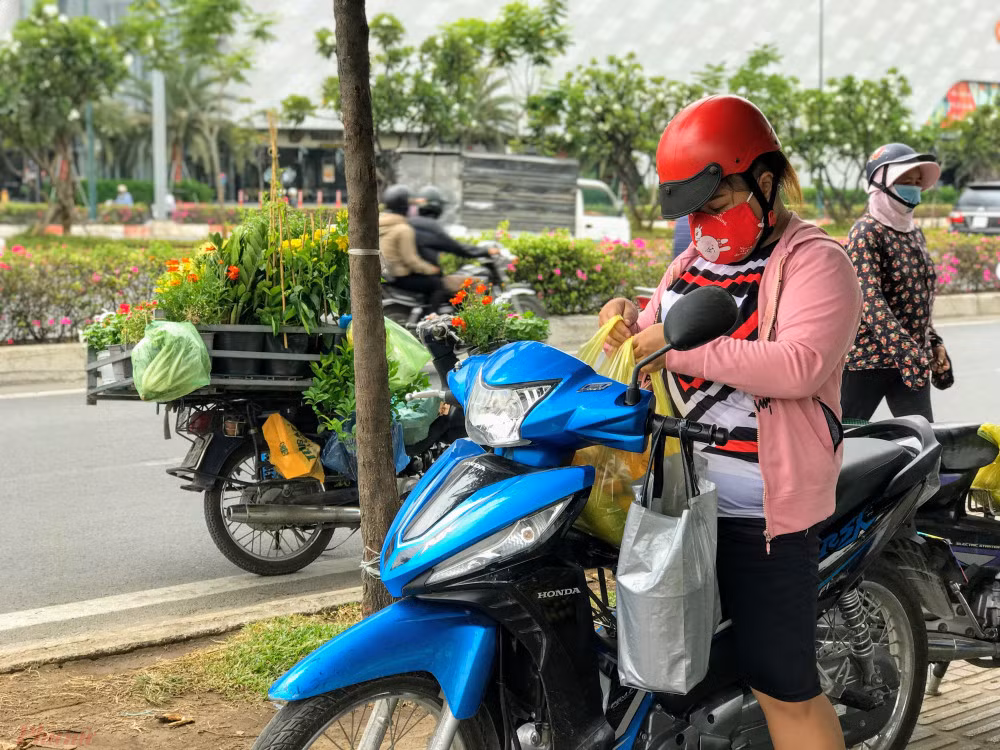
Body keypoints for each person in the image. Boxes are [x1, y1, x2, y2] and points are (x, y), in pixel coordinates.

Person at [599, 95, 861, 750]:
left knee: (783, 686)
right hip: (681, 504)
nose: (703, 222)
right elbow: (655, 333)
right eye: (692, 210)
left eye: (715, 201)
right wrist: (628, 322)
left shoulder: (816, 262)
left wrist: (675, 348)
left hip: (761, 514)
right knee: (668, 672)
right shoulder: (690, 263)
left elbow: (800, 366)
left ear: (765, 182)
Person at [841, 143, 949, 423]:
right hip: (868, 361)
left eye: (916, 182)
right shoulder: (866, 233)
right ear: (881, 183)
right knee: (839, 437)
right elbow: (869, 300)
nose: (913, 189)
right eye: (905, 181)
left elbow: (918, 299)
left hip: (909, 361)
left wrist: (933, 342)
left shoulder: (914, 233)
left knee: (922, 439)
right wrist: (907, 350)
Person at [410, 185, 499, 291]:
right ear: (436, 206)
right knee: (477, 284)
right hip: (427, 278)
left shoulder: (412, 222)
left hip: (416, 277)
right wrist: (486, 251)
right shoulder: (430, 226)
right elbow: (455, 247)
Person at [378, 184, 448, 310]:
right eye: (411, 205)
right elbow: (411, 260)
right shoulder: (403, 229)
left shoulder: (382, 223)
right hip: (399, 276)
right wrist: (432, 269)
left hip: (386, 275)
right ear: (404, 207)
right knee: (438, 284)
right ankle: (431, 318)